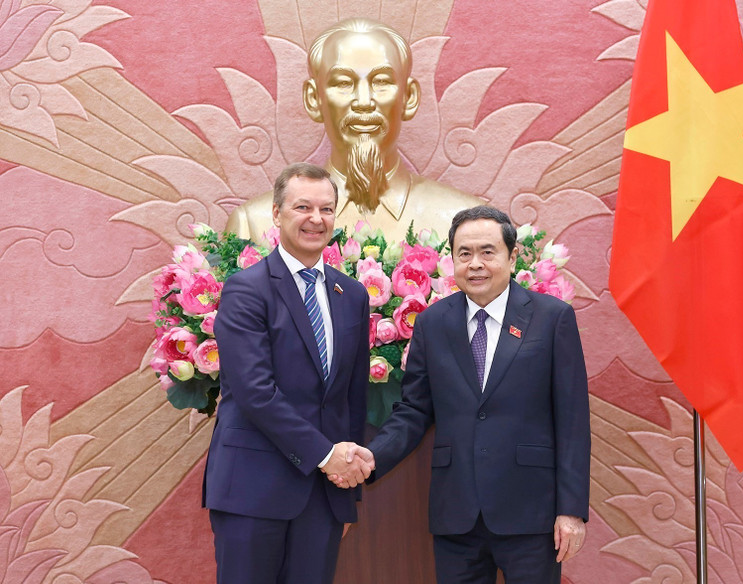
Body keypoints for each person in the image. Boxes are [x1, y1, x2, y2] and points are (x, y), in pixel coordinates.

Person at [339, 206, 591, 583]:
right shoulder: (432, 322)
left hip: (531, 513)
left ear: (511, 256)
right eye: (464, 253)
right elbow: (414, 410)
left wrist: (571, 510)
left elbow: (572, 420)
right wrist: (372, 457)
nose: (476, 264)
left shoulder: (551, 318)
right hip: (457, 513)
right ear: (451, 259)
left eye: (488, 252)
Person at [203, 163, 374, 584]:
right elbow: (254, 391)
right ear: (277, 214)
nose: (316, 219)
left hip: (322, 496)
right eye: (303, 207)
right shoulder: (247, 288)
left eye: (327, 209)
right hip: (252, 488)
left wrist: (345, 488)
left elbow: (352, 396)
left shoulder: (350, 294)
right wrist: (326, 455)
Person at [226, 18, 483, 244]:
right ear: (314, 99)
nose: (363, 101)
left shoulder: (469, 223)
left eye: (381, 81)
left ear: (409, 97)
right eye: (343, 83)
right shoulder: (255, 226)